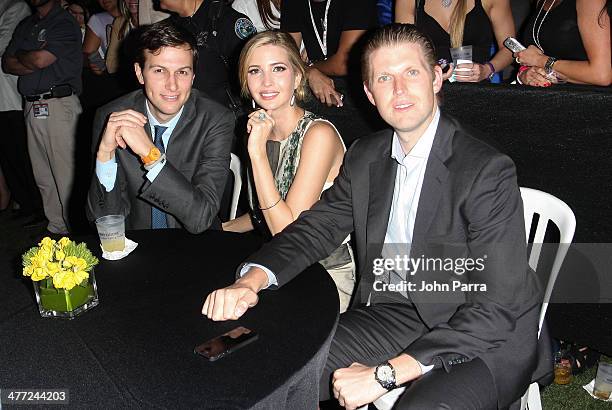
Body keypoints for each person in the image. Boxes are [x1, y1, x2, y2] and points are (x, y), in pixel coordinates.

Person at [203, 24, 547, 409]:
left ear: (436, 78)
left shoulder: (485, 170)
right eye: (384, 77)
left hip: (480, 333)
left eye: (411, 73)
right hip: (396, 313)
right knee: (273, 365)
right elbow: (315, 228)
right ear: (369, 93)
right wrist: (251, 280)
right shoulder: (366, 156)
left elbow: (494, 308)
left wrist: (385, 373)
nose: (398, 89)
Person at [222, 31, 355, 312]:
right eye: (255, 71)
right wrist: (220, 230)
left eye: (278, 69)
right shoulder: (263, 130)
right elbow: (264, 211)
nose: (266, 81)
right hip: (276, 265)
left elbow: (288, 232)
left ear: (297, 77)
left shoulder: (318, 134)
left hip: (325, 275)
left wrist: (256, 154)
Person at [87, 20, 234, 233]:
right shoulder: (111, 117)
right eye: (159, 71)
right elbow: (102, 220)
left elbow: (202, 217)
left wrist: (150, 155)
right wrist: (104, 155)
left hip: (196, 247)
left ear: (193, 76)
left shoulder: (216, 120)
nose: (172, 85)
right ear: (139, 73)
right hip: (139, 243)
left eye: (182, 72)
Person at [3, 0, 83, 234]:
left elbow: (40, 60)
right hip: (31, 105)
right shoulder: (26, 24)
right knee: (44, 177)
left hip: (59, 104)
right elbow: (8, 64)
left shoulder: (64, 21)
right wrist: (30, 56)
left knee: (66, 176)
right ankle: (58, 230)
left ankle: (78, 233)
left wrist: (22, 55)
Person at [159, 0, 256, 110]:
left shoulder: (227, 21)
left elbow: (255, 76)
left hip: (225, 118)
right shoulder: (168, 29)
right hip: (181, 117)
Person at [281, 0, 379, 107]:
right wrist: (309, 72)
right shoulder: (292, 3)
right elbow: (287, 55)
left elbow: (344, 64)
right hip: (314, 87)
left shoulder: (358, 3)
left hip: (360, 90)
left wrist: (309, 68)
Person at [395, 0, 516, 82]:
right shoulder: (408, 2)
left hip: (477, 91)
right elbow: (403, 52)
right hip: (429, 88)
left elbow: (511, 48)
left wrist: (487, 69)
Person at [0, 0, 44, 220]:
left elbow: (4, 46)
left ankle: (36, 205)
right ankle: (25, 204)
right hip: (2, 100)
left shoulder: (15, 7)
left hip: (11, 99)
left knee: (22, 155)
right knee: (8, 157)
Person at [515, 0, 611, 87]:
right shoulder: (542, 1)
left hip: (589, 99)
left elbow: (601, 74)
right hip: (550, 97)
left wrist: (540, 61)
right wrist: (526, 73)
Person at [83, 0, 120, 75]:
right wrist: (93, 64)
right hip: (114, 78)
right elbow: (85, 56)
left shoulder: (137, 16)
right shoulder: (98, 20)